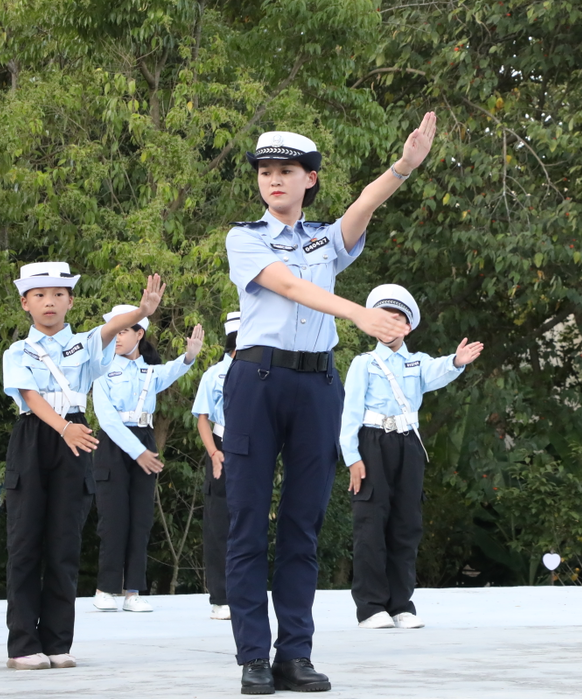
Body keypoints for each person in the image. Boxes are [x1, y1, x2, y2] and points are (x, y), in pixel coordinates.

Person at [223, 114, 436, 694]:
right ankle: (253, 658)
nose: (274, 181)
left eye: (286, 171)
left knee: (302, 524)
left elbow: (364, 205)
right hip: (257, 381)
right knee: (247, 525)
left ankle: (294, 653)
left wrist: (404, 166)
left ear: (309, 179)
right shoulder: (244, 237)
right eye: (266, 171)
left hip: (317, 386)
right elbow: (289, 287)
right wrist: (357, 313)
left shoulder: (325, 239)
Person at [2, 265, 164, 670]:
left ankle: (57, 642)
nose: (50, 302)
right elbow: (30, 395)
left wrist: (141, 310)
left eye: (58, 294)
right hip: (37, 437)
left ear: (71, 301)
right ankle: (23, 644)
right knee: (25, 545)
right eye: (39, 295)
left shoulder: (84, 344)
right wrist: (64, 428)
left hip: (76, 438)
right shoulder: (18, 350)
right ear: (25, 303)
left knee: (64, 542)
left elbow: (110, 331)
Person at [340, 284, 483, 630]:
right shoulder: (364, 363)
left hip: (409, 444)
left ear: (408, 328)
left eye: (398, 320)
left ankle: (401, 603)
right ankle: (371, 607)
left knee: (407, 523)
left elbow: (438, 371)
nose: (391, 325)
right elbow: (349, 412)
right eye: (384, 319)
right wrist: (352, 457)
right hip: (372, 442)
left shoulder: (417, 363)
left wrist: (456, 362)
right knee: (371, 524)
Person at [91, 307, 204, 613]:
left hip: (144, 438)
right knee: (113, 519)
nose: (116, 336)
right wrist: (136, 451)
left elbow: (172, 369)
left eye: (123, 331)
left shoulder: (149, 371)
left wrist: (190, 356)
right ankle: (105, 588)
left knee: (140, 518)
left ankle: (132, 592)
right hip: (115, 444)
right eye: (113, 330)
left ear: (139, 334)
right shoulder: (100, 369)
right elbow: (107, 419)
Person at [191, 311, 240, 621]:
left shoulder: (265, 371)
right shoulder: (214, 374)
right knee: (219, 523)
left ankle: (244, 592)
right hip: (222, 447)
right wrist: (212, 452)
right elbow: (202, 417)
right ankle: (220, 598)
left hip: (253, 448)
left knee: (248, 522)